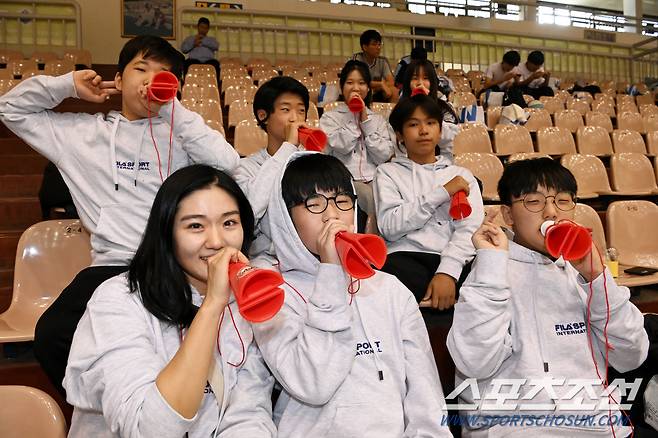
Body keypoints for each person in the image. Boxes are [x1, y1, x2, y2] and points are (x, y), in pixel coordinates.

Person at [0, 35, 240, 395]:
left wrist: (172, 108)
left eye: (163, 74)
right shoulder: (82, 135)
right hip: (111, 266)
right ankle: (119, 404)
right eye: (141, 69)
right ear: (120, 78)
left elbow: (229, 165)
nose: (150, 80)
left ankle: (168, 407)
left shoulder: (184, 134)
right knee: (53, 334)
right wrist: (68, 85)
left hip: (172, 264)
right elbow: (10, 110)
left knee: (188, 340)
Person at [64, 164, 276, 437]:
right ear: (167, 233)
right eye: (196, 225)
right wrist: (212, 306)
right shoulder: (116, 301)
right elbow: (148, 429)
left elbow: (248, 412)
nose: (217, 241)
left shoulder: (243, 302)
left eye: (229, 223)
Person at [252, 151, 453, 437]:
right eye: (314, 204)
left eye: (342, 202)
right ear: (285, 216)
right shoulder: (271, 293)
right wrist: (330, 271)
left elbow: (425, 394)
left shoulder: (390, 289)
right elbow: (314, 384)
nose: (332, 215)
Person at [447, 158, 649, 437]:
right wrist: (491, 264)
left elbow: (631, 356)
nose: (551, 212)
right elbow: (475, 362)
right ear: (508, 215)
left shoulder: (584, 272)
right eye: (534, 201)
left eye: (563, 201)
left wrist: (597, 279)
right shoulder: (489, 273)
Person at [374, 95, 484, 309]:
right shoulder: (387, 173)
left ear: (440, 130)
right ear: (400, 135)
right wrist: (442, 193)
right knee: (389, 279)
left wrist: (447, 272)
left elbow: (469, 228)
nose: (424, 131)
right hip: (405, 258)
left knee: (491, 275)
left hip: (454, 258)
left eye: (431, 123)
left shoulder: (461, 175)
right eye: (413, 124)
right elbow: (389, 227)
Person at [234, 76, 310, 262]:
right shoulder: (245, 168)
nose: (295, 118)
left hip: (311, 255)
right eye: (286, 110)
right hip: (266, 260)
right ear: (263, 115)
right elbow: (250, 211)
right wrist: (289, 147)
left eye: (301, 111)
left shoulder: (312, 162)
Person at [319, 60, 395, 232]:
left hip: (376, 178)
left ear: (368, 88)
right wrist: (355, 121)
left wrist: (365, 120)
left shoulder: (377, 120)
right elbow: (342, 146)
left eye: (361, 83)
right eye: (350, 83)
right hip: (346, 178)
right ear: (342, 87)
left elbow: (383, 155)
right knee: (368, 195)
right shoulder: (330, 118)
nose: (356, 88)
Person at [350, 29, 398, 103]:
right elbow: (359, 81)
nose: (378, 47)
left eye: (379, 44)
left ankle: (392, 114)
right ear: (365, 47)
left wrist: (378, 87)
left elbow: (391, 81)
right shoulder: (356, 59)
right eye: (374, 44)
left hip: (377, 91)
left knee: (394, 90)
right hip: (360, 90)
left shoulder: (382, 61)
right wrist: (380, 84)